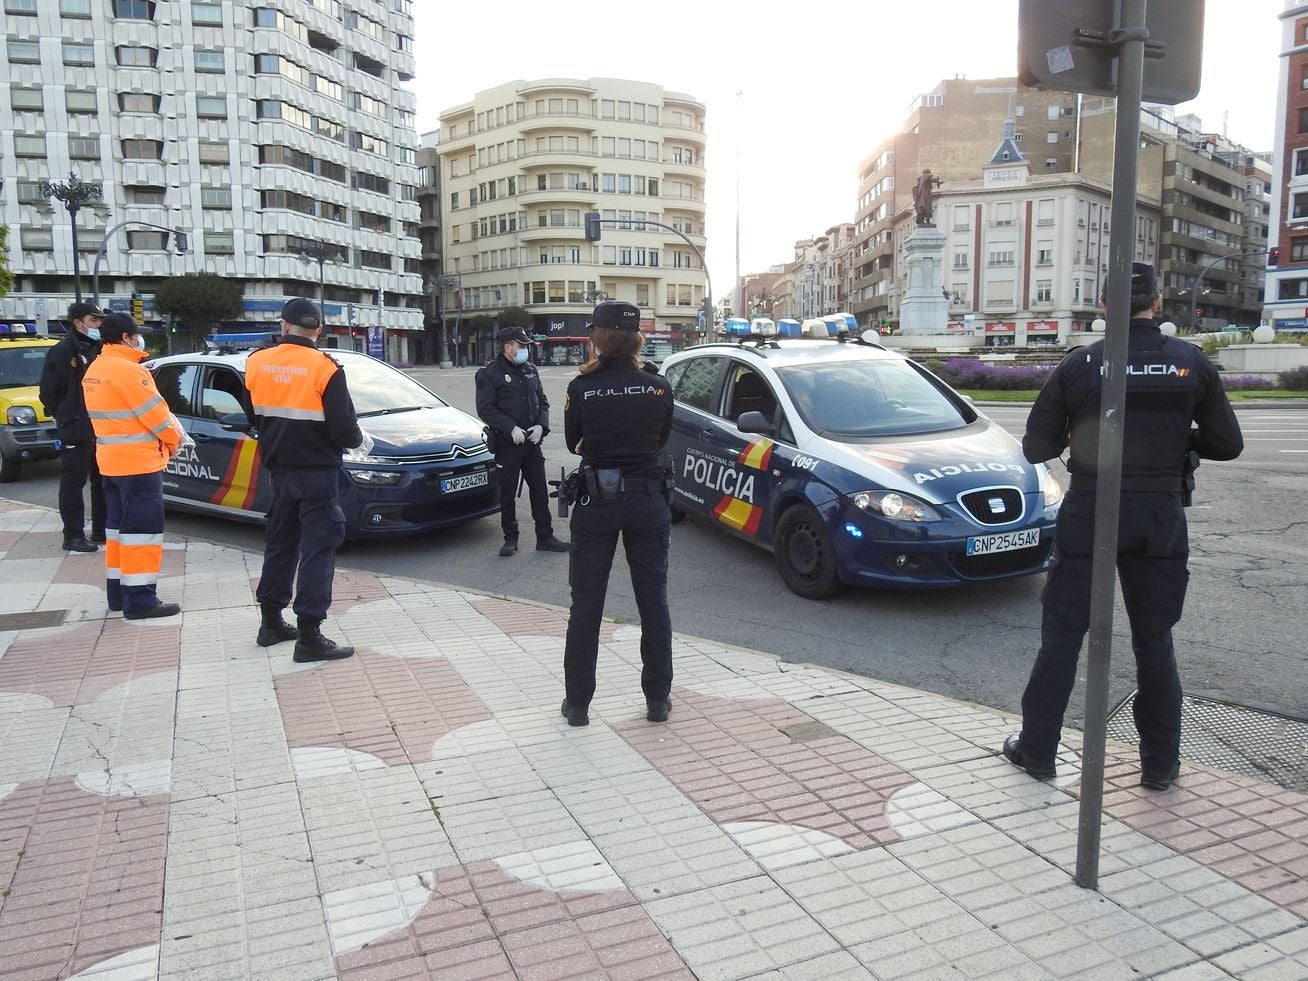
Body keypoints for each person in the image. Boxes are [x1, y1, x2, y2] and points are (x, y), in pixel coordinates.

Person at [1003, 262, 1244, 791]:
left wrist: (1079, 437)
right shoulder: (1190, 363)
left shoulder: (1080, 365)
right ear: (1157, 305)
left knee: (1063, 637)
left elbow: (1037, 447)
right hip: (1159, 515)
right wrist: (1182, 441)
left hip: (1091, 510)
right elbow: (1228, 444)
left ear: (1105, 307)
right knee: (1154, 641)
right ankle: (1160, 766)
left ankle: (1039, 751)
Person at [559, 300, 675, 728]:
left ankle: (577, 706)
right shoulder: (658, 385)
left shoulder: (581, 387)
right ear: (637, 337)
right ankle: (658, 701)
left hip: (597, 501)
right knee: (653, 604)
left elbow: (574, 441)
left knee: (586, 604)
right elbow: (661, 437)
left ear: (598, 337)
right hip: (648, 500)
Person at [245, 297, 364, 662]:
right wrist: (359, 438)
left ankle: (270, 623)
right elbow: (344, 430)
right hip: (317, 473)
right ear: (319, 330)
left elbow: (254, 416)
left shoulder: (256, 362)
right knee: (318, 547)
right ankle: (309, 635)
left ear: (283, 326)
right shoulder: (326, 368)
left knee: (281, 543)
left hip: (279, 472)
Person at [81, 312, 187, 619]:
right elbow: (158, 417)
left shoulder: (96, 368)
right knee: (142, 533)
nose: (139, 339)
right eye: (136, 334)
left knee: (117, 532)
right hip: (138, 464)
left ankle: (118, 594)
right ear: (127, 337)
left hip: (111, 463)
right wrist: (174, 442)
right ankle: (140, 600)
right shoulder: (128, 371)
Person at [475, 326, 569, 557]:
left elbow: (542, 402)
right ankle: (510, 538)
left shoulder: (530, 369)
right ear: (508, 347)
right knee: (507, 493)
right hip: (508, 444)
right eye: (521, 346)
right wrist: (510, 429)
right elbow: (485, 408)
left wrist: (541, 426)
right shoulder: (491, 373)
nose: (526, 349)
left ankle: (545, 537)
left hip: (531, 443)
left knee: (539, 490)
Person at [40, 301, 107, 552]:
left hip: (98, 426)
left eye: (100, 320)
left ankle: (101, 529)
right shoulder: (63, 350)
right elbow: (49, 391)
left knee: (101, 479)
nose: (98, 325)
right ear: (78, 323)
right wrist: (66, 414)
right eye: (93, 320)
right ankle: (74, 535)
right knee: (73, 481)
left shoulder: (97, 348)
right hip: (76, 426)